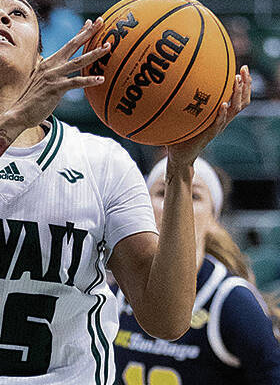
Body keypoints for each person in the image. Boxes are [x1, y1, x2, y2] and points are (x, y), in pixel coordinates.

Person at [0, 0, 252, 383]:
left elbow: (167, 318)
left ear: (38, 58)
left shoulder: (103, 162)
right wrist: (13, 120)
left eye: (17, 13)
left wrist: (181, 167)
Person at [114, 157, 280, 384]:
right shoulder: (117, 290)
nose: (177, 204)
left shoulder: (231, 299)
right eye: (163, 193)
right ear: (144, 206)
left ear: (214, 220)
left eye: (194, 196)